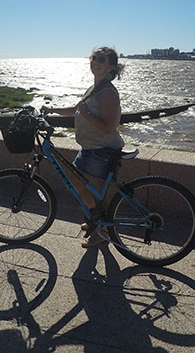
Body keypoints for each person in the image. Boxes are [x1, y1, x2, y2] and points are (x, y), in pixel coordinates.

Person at [41, 46, 125, 247]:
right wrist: (52, 109)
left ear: (110, 67)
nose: (95, 62)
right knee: (79, 188)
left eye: (101, 59)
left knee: (96, 196)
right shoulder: (94, 87)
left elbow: (108, 127)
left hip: (102, 152)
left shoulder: (108, 93)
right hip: (89, 150)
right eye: (94, 57)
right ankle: (95, 220)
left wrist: (86, 114)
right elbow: (77, 109)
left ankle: (103, 232)